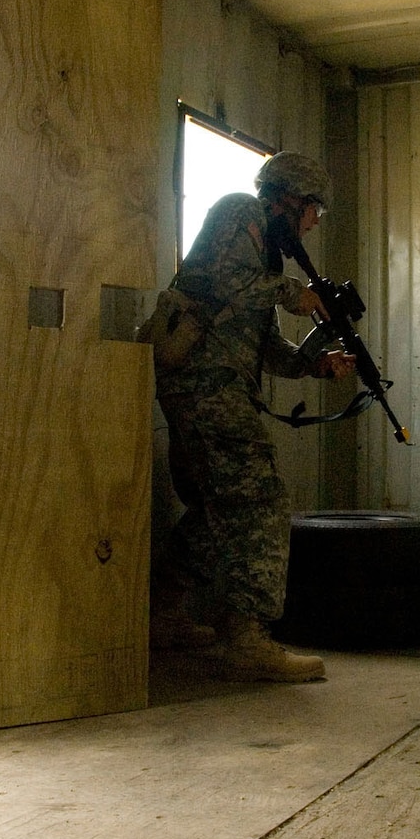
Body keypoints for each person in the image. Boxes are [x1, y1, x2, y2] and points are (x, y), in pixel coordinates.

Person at [150, 152, 355, 682]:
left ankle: (165, 615)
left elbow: (263, 343)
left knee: (213, 507)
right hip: (204, 386)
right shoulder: (238, 211)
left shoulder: (266, 258)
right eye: (314, 211)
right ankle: (246, 637)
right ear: (289, 198)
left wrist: (312, 364)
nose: (313, 223)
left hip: (213, 388)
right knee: (259, 498)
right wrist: (298, 295)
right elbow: (225, 284)